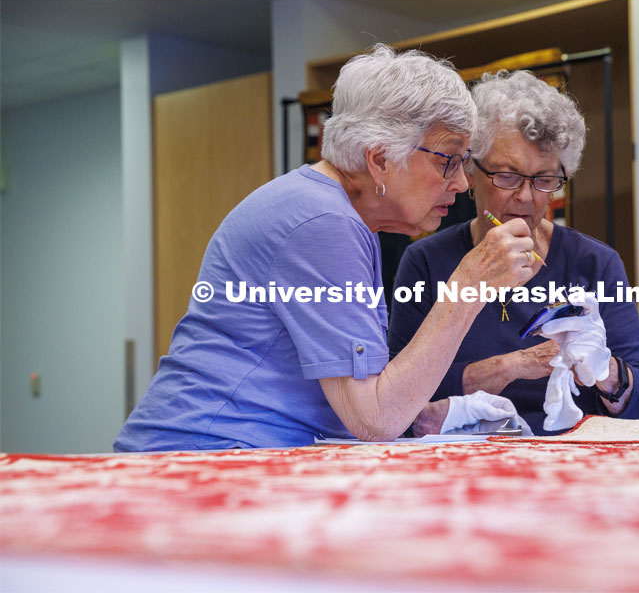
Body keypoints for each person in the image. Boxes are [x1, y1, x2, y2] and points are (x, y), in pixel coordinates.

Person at [114, 46, 540, 451]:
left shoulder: (337, 214)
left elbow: (362, 400)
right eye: (448, 159)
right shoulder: (323, 222)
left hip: (228, 448)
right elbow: (374, 420)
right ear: (379, 160)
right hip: (202, 453)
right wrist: (468, 285)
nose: (462, 183)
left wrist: (431, 415)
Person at [389, 70, 639, 436]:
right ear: (472, 170)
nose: (526, 197)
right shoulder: (427, 262)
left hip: (573, 460)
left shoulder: (594, 263)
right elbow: (395, 395)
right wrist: (510, 367)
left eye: (545, 180)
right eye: (507, 176)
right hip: (463, 459)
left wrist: (606, 371)